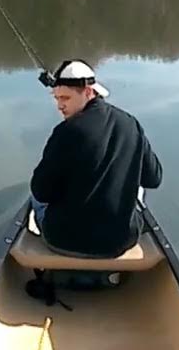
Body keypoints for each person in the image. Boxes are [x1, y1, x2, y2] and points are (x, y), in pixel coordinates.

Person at [30, 60, 163, 258]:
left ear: (88, 92)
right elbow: (154, 179)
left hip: (62, 240)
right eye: (56, 98)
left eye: (65, 98)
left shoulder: (65, 131)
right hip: (122, 241)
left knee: (33, 197)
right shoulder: (130, 123)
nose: (59, 105)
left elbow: (41, 192)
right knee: (138, 188)